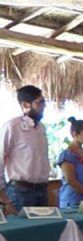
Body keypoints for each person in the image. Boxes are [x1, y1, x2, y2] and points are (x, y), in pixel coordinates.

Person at [0, 85, 51, 213]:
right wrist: (3, 197)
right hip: (20, 192)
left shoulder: (41, 128)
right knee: (21, 226)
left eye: (44, 102)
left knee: (46, 226)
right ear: (25, 105)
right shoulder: (12, 126)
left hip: (42, 190)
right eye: (40, 102)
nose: (44, 106)